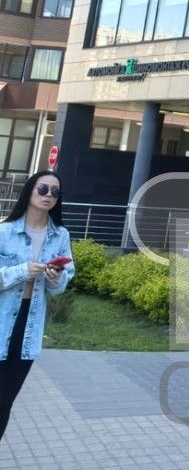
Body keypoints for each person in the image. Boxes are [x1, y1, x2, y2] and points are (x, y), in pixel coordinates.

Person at [0, 170, 74, 439]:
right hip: (1, 321)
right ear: (29, 191)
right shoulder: (5, 231)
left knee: (4, 401)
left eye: (55, 192)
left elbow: (60, 287)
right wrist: (23, 271)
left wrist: (56, 276)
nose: (49, 195)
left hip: (28, 328)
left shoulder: (60, 235)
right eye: (43, 189)